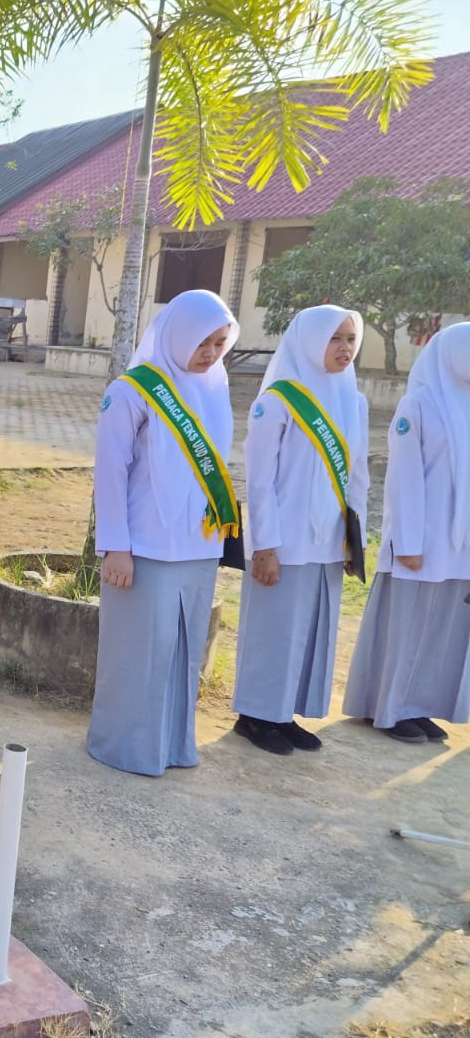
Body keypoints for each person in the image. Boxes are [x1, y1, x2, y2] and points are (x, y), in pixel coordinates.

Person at [88, 289, 239, 776]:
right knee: (138, 654)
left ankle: (172, 746)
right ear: (177, 334)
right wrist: (116, 547)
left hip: (198, 547)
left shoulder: (215, 386)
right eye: (202, 342)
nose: (210, 353)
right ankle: (124, 747)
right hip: (145, 547)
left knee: (181, 655)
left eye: (219, 343)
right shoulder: (132, 390)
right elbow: (110, 472)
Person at [231, 306, 369, 755]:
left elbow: (358, 478)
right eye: (335, 338)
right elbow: (259, 480)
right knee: (274, 630)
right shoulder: (277, 400)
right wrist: (264, 545)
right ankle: (254, 716)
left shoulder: (353, 400)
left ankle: (283, 713)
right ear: (310, 341)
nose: (345, 348)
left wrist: (354, 542)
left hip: (328, 542)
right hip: (284, 541)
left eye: (351, 338)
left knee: (306, 632)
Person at [344, 324, 470, 744]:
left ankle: (418, 706)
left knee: (441, 630)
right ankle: (388, 709)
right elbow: (404, 481)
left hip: (459, 545)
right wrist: (409, 543)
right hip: (421, 543)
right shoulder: (417, 405)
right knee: (406, 628)